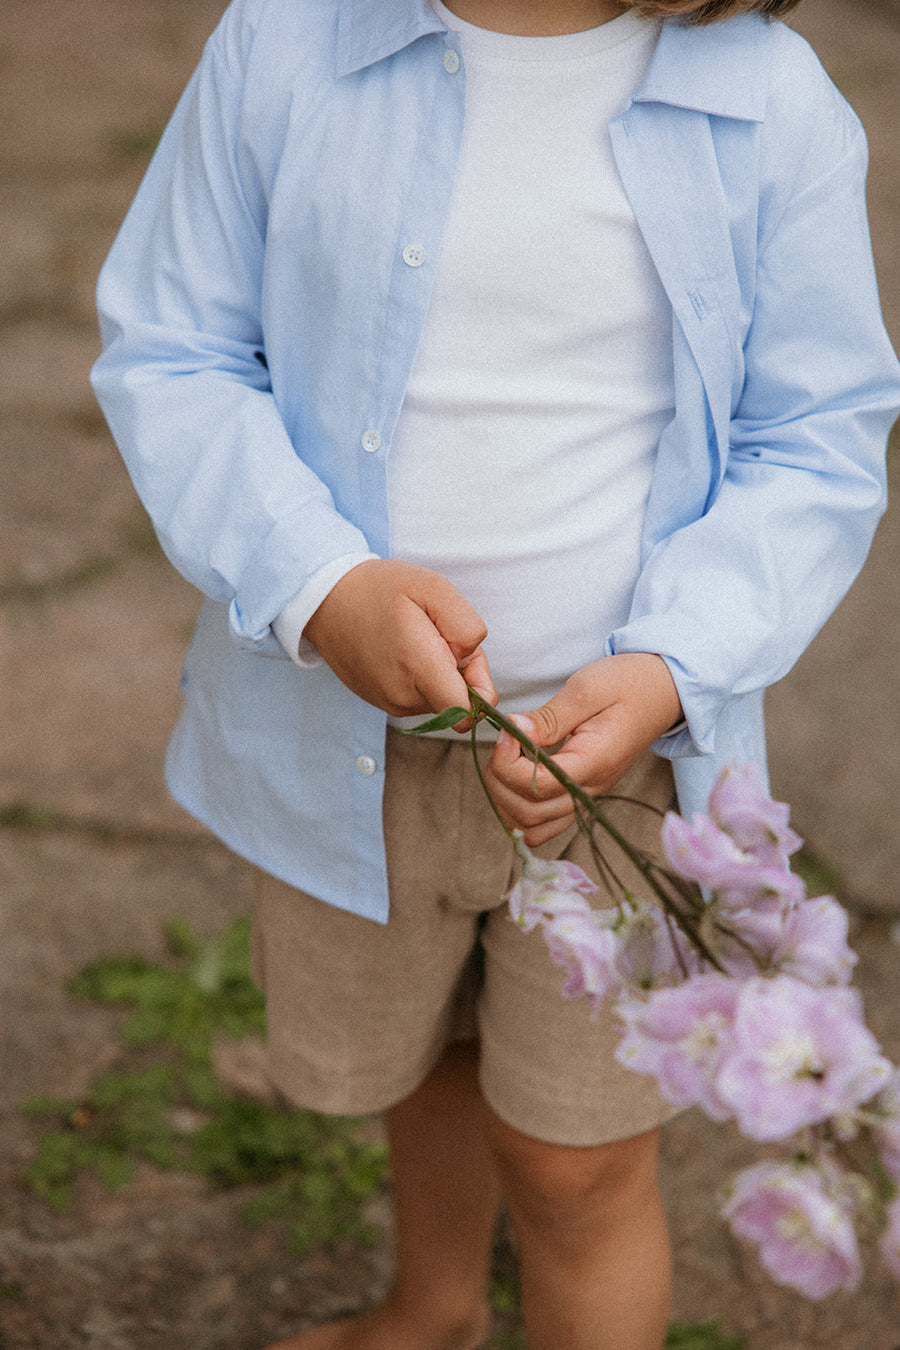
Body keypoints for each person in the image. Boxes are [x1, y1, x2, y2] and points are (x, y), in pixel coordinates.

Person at [90, 0, 900, 1343]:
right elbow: (173, 350)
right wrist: (320, 586)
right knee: (422, 1065)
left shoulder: (770, 101)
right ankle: (437, 1301)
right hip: (339, 741)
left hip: (626, 769)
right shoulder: (286, 45)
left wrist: (671, 664)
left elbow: (815, 440)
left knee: (579, 1159)